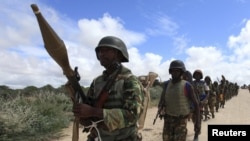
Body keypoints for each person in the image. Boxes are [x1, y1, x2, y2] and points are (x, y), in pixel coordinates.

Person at [72, 36, 144, 141]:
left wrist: (93, 111)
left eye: (107, 50)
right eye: (100, 51)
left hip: (124, 138)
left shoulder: (130, 80)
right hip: (98, 137)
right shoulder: (97, 81)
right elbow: (88, 113)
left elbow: (132, 115)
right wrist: (81, 112)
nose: (102, 54)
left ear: (119, 54)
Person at [158, 60, 201, 141]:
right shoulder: (167, 84)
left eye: (177, 71)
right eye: (173, 71)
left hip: (180, 121)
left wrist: (198, 123)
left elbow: (196, 104)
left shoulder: (187, 85)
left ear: (181, 72)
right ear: (170, 72)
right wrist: (160, 108)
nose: (174, 73)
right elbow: (162, 100)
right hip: (168, 121)